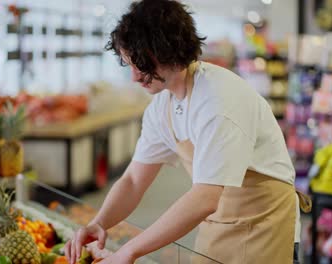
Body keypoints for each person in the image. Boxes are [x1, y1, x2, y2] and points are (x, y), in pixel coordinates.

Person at [65, 1, 311, 263]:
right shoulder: (163, 106)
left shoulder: (219, 102)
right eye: (129, 65)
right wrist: (100, 222)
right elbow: (134, 180)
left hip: (264, 226)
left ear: (168, 51)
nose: (134, 77)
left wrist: (129, 251)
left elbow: (205, 198)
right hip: (217, 222)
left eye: (140, 64)